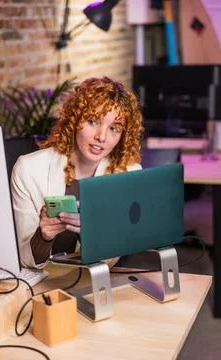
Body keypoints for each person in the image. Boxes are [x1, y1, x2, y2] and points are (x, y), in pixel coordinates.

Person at [11, 76, 144, 269]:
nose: (101, 137)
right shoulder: (29, 169)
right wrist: (43, 236)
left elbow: (111, 259)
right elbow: (25, 259)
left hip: (93, 283)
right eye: (92, 121)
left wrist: (89, 233)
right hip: (42, 284)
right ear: (74, 119)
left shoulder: (128, 174)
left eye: (114, 128)